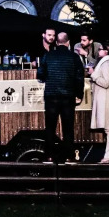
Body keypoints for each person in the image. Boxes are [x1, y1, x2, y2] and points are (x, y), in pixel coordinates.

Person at [37, 29, 83, 159]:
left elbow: (40, 74)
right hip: (68, 96)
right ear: (68, 43)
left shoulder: (48, 55)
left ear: (57, 42)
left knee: (50, 127)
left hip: (51, 96)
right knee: (68, 128)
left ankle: (50, 155)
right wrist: (79, 95)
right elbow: (79, 78)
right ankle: (68, 156)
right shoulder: (74, 57)